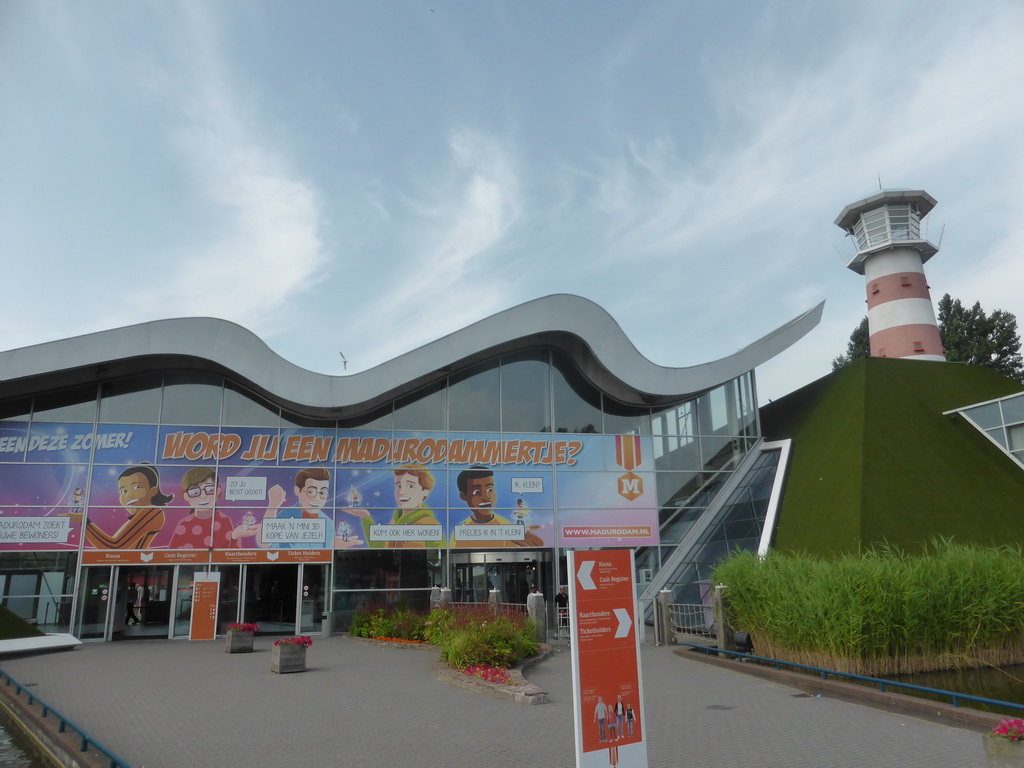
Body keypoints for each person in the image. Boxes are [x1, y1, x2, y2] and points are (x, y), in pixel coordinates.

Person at [75, 464, 173, 549]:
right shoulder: (141, 515)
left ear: (153, 491)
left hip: (132, 566)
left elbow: (115, 546)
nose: (128, 495)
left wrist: (84, 522)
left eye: (137, 487)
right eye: (123, 491)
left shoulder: (152, 512)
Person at [342, 464, 442, 548]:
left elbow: (441, 553)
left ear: (425, 491)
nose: (402, 491)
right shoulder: (396, 521)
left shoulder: (430, 524)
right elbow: (381, 547)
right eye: (399, 486)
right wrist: (365, 516)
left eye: (410, 486)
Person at [452, 466, 543, 548]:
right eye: (477, 492)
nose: (486, 496)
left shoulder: (506, 527)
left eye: (490, 489)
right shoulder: (459, 533)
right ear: (463, 496)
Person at [168, 467, 257, 549]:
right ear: (186, 496)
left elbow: (230, 558)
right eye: (195, 491)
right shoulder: (184, 524)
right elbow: (170, 557)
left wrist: (235, 536)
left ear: (217, 491)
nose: (203, 496)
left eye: (210, 489)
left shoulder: (224, 521)